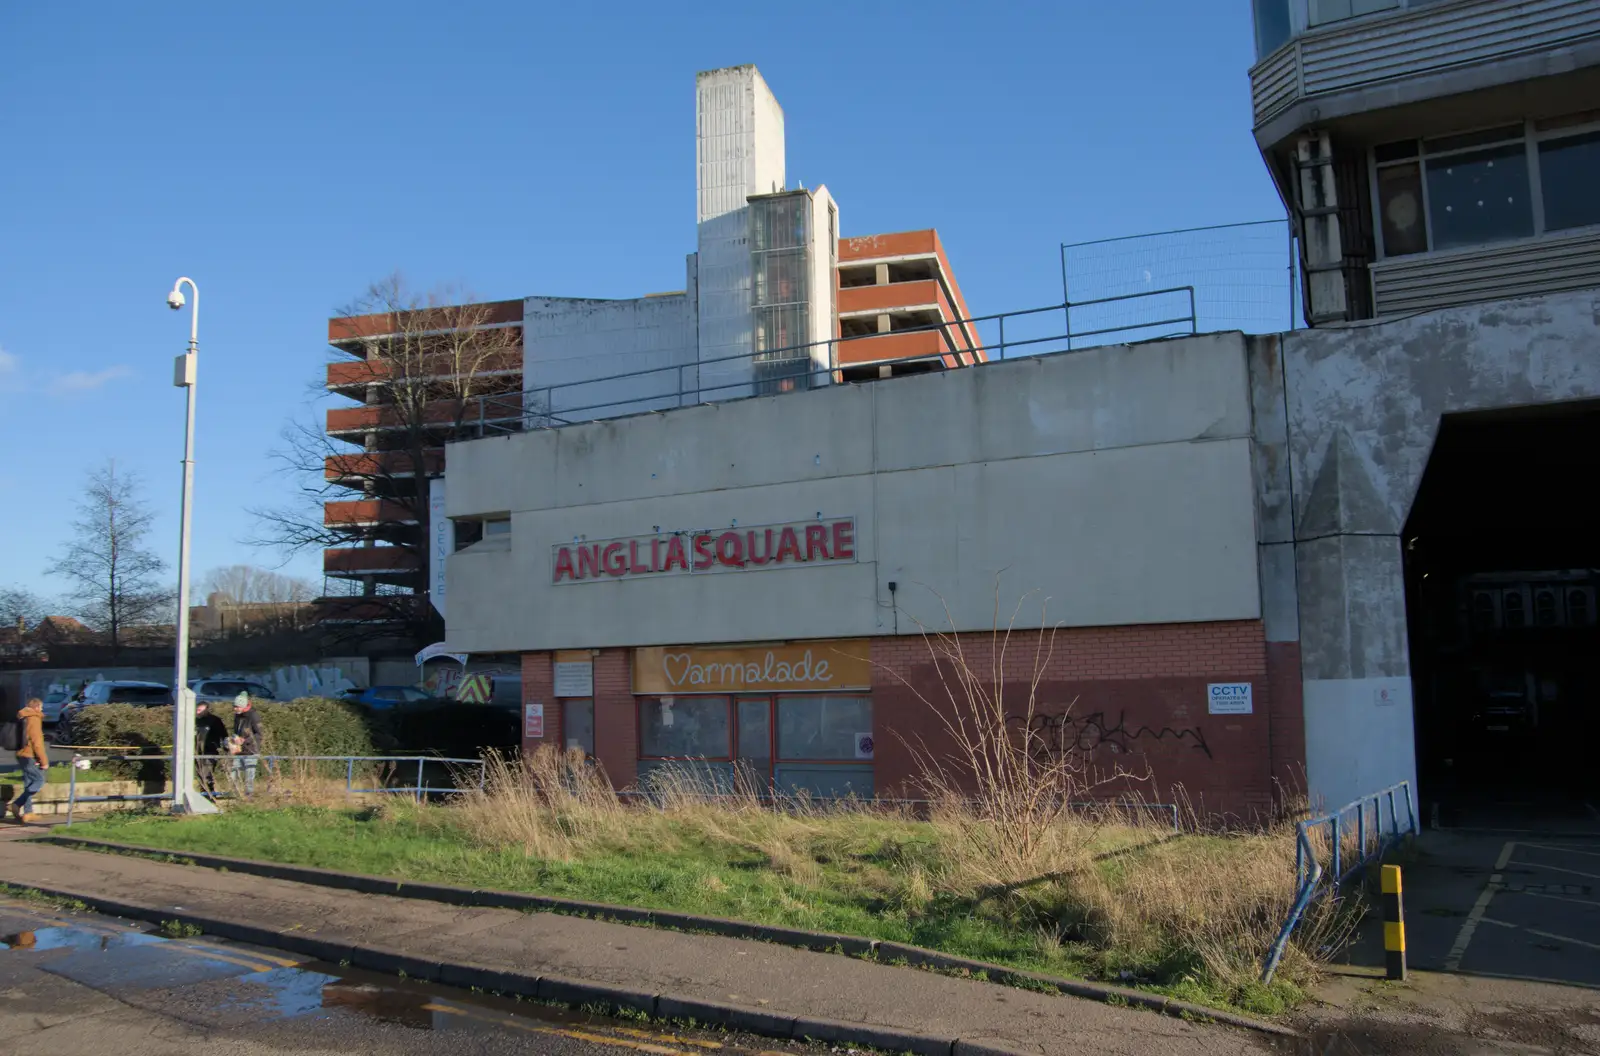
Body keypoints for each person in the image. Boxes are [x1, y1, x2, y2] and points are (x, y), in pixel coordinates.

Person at [12, 698, 50, 824]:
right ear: (37, 707)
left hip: (21, 753)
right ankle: (17, 803)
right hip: (29, 755)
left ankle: (28, 813)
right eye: (41, 708)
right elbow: (37, 743)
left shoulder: (22, 716)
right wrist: (44, 761)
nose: (42, 710)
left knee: (28, 783)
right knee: (39, 780)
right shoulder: (34, 718)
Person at [230, 692, 263, 796]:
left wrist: (245, 740)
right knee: (234, 771)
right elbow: (237, 731)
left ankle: (249, 796)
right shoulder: (237, 716)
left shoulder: (254, 716)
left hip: (251, 751)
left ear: (244, 706)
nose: (235, 709)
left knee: (249, 775)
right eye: (234, 706)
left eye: (237, 707)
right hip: (238, 750)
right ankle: (236, 794)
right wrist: (233, 739)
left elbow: (260, 734)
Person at [194, 701, 228, 798]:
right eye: (197, 709)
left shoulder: (215, 721)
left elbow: (224, 735)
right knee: (200, 776)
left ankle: (209, 796)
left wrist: (225, 749)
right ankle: (205, 795)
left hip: (210, 752)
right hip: (197, 753)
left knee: (206, 774)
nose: (197, 712)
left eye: (200, 710)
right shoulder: (195, 721)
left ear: (206, 710)